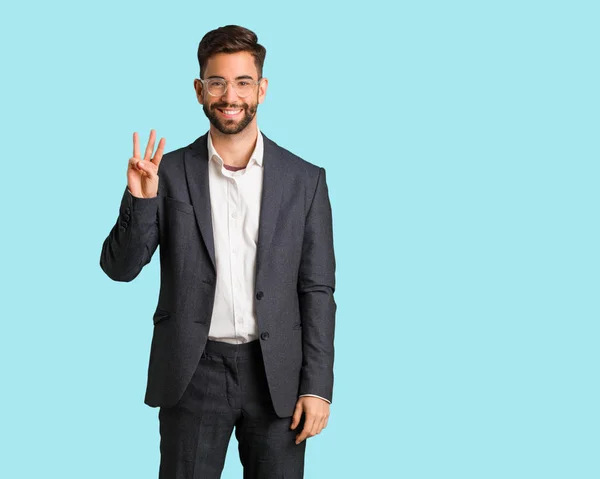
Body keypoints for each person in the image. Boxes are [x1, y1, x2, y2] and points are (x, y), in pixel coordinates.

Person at [99, 25, 337, 478]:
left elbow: (318, 289)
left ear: (262, 89)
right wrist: (141, 200)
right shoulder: (166, 173)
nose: (231, 95)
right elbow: (120, 268)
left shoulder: (306, 180)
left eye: (243, 82)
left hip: (277, 378)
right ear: (199, 90)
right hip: (193, 372)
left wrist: (318, 387)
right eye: (218, 82)